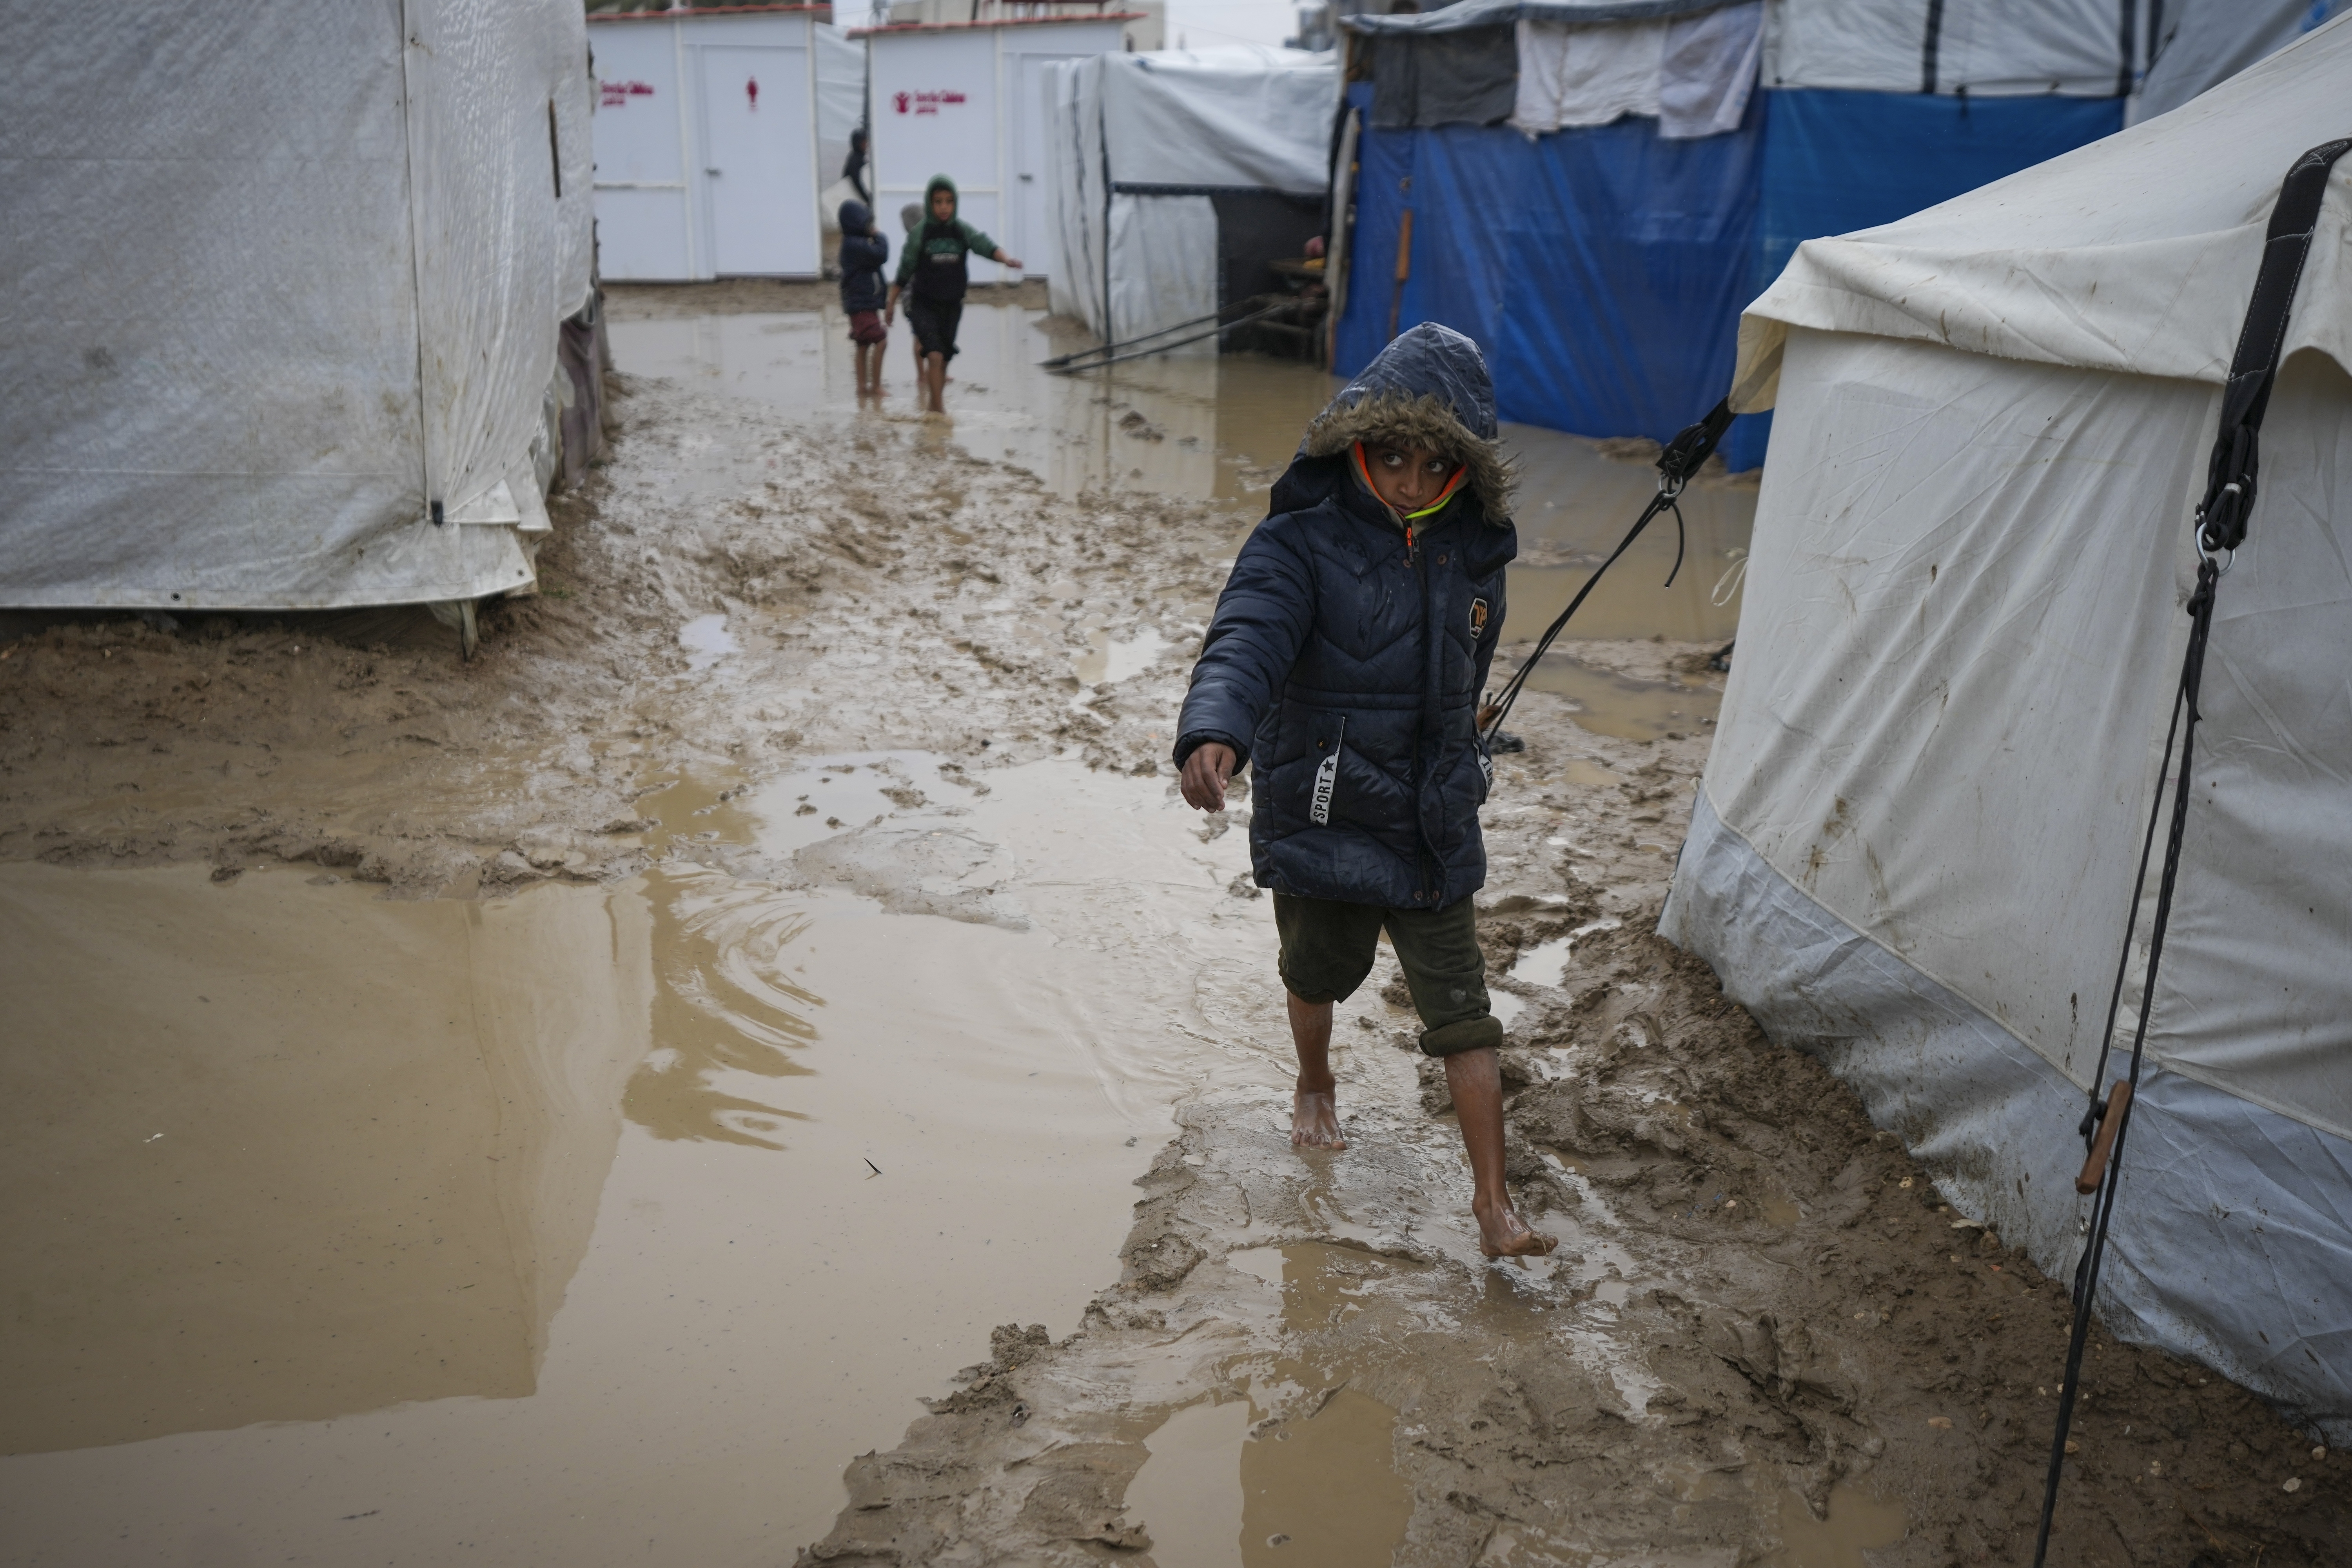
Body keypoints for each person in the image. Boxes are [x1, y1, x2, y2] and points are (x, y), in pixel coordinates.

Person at [1173, 323, 1556, 1261]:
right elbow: (1246, 637)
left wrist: (1465, 727)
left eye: (1435, 463)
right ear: (1354, 444)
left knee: (1464, 1012)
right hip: (1324, 799)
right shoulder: (1294, 542)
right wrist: (1216, 730)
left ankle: (1492, 1207)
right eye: (1391, 458)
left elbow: (1471, 662)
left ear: (1464, 464)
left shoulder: (1477, 556)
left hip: (1429, 814)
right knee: (1316, 973)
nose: (1412, 482)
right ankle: (1314, 1080)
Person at [884, 175, 1021, 416]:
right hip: (924, 303)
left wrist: (1006, 259)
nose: (944, 207)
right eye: (938, 202)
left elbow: (983, 244)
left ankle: (932, 406)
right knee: (934, 355)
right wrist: (890, 303)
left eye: (949, 201)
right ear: (930, 204)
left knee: (945, 358)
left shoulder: (961, 230)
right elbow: (904, 271)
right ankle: (939, 413)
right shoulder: (921, 234)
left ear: (955, 203)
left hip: (952, 306)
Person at [837, 199, 889, 398]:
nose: (871, 228)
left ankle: (862, 387)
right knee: (881, 341)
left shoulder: (851, 245)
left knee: (863, 344)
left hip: (858, 305)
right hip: (863, 305)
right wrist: (880, 236)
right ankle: (876, 386)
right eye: (867, 224)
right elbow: (881, 255)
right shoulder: (856, 245)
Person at [843, 126, 871, 205]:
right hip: (854, 199)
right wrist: (868, 199)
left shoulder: (856, 157)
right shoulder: (856, 160)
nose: (866, 145)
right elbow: (857, 183)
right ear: (858, 143)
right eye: (864, 142)